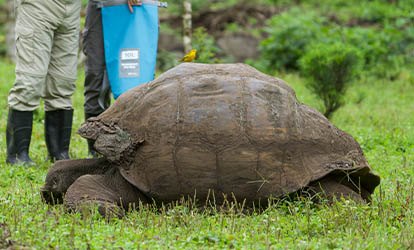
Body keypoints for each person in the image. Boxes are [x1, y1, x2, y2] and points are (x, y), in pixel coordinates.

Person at [6, 0, 81, 164]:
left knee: (63, 83)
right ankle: (18, 155)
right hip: (38, 6)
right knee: (30, 81)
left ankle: (59, 153)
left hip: (71, 8)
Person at [82, 0, 141, 157]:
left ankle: (136, 147)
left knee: (134, 79)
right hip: (100, 7)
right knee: (96, 76)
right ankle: (96, 150)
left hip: (137, 9)